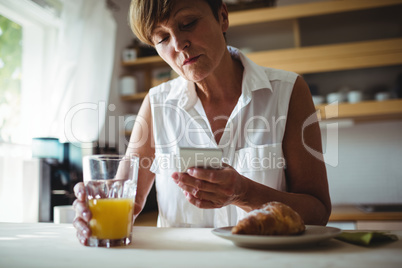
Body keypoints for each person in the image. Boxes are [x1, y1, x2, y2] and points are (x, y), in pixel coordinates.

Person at [73, 0, 331, 245]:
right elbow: (126, 199)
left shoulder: (287, 91)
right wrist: (91, 212)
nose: (178, 44)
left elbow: (318, 212)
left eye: (188, 23)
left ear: (222, 17)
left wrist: (244, 192)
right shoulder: (157, 104)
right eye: (162, 38)